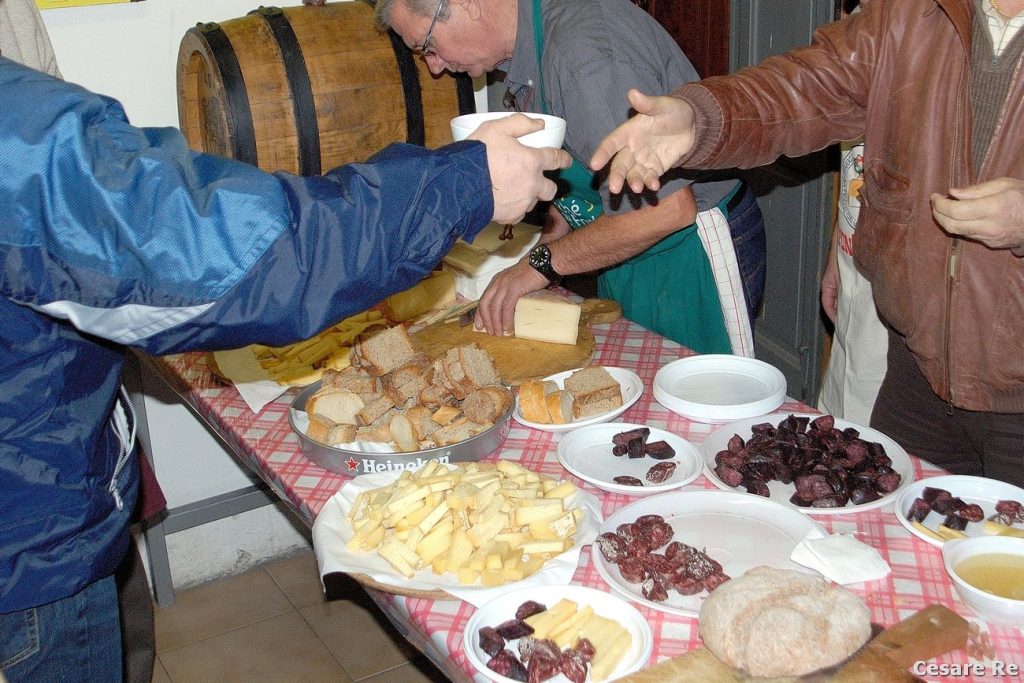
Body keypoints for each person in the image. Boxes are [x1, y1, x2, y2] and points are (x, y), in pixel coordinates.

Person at [0, 56, 569, 682]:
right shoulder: (16, 125)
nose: (430, 60)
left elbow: (608, 201)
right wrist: (464, 184)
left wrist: (547, 253)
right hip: (24, 545)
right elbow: (230, 254)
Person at [591, 0, 1024, 486]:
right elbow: (802, 90)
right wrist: (700, 120)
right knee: (891, 550)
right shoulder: (909, 10)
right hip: (917, 376)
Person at [374, 0, 767, 356]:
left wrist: (540, 264)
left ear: (466, 4)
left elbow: (668, 209)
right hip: (632, 255)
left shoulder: (584, 57)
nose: (434, 66)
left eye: (426, 46)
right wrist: (548, 242)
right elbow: (585, 175)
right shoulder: (530, 51)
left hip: (693, 254)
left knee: (714, 414)